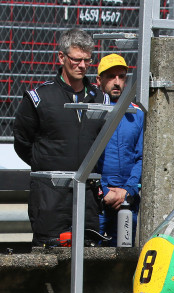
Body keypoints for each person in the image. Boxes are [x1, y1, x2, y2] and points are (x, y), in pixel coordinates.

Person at [13, 28, 107, 246]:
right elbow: (23, 143)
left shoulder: (98, 97)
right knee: (48, 263)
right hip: (49, 199)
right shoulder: (39, 98)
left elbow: (102, 142)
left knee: (89, 262)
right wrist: (48, 163)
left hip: (87, 198)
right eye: (76, 60)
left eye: (87, 60)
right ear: (62, 57)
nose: (82, 66)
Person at [95, 54, 144, 246]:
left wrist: (127, 190)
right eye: (111, 76)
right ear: (99, 80)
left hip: (127, 201)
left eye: (121, 76)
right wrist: (103, 191)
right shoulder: (91, 111)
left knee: (123, 260)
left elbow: (141, 157)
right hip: (98, 200)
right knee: (91, 257)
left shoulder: (137, 114)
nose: (117, 82)